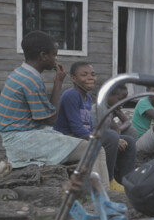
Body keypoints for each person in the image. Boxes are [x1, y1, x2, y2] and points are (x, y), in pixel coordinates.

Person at [0, 30, 109, 186]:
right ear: (43, 56)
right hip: (20, 140)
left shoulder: (21, 73)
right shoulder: (30, 80)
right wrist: (58, 83)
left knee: (74, 143)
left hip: (18, 135)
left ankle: (85, 188)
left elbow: (46, 116)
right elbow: (51, 119)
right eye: (54, 55)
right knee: (95, 149)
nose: (56, 59)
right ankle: (102, 196)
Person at [54, 62, 136, 190]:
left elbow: (90, 127)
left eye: (93, 74)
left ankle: (127, 181)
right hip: (68, 137)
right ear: (73, 78)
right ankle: (109, 180)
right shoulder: (71, 95)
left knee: (128, 141)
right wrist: (111, 138)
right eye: (84, 75)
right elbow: (77, 129)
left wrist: (115, 138)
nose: (90, 78)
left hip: (81, 135)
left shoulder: (88, 98)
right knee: (111, 136)